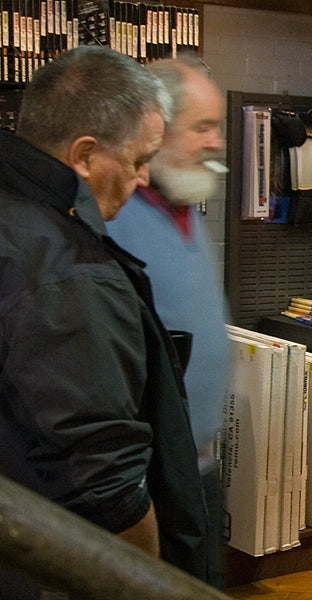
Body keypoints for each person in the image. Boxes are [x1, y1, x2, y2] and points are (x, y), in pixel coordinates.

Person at [0, 46, 211, 597]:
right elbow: (106, 484)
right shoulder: (69, 272)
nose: (144, 179)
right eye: (140, 159)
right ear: (85, 155)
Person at [106, 56, 231, 589]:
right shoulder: (114, 215)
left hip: (197, 469)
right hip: (146, 482)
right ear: (154, 127)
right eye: (202, 128)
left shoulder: (185, 203)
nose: (217, 143)